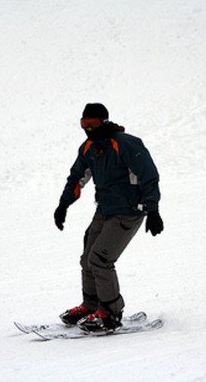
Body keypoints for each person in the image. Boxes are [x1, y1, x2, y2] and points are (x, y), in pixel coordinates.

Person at [54, 103, 164, 333]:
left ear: (103, 122)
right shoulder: (89, 148)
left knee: (100, 259)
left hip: (129, 211)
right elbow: (76, 178)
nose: (87, 130)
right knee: (87, 259)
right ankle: (91, 305)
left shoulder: (126, 144)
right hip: (104, 210)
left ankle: (111, 313)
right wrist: (63, 205)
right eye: (83, 125)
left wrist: (153, 210)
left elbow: (149, 176)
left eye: (91, 125)